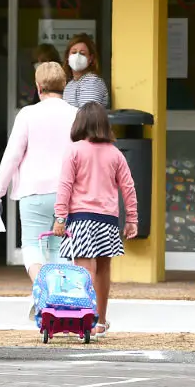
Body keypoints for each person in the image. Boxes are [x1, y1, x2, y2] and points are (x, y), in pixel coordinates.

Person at [0, 62, 78, 314]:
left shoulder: (27, 114)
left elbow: (12, 155)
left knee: (32, 245)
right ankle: (60, 298)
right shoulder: (76, 114)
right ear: (65, 85)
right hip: (67, 193)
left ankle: (43, 292)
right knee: (61, 248)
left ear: (38, 87)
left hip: (33, 192)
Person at [53, 102, 138, 338]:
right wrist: (132, 218)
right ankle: (99, 321)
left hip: (80, 218)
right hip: (107, 220)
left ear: (80, 123)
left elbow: (65, 185)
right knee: (103, 269)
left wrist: (60, 216)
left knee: (84, 270)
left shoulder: (74, 150)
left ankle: (83, 319)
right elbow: (128, 187)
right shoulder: (115, 153)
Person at [63, 34, 110, 108]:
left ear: (90, 59)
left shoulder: (92, 81)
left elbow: (88, 117)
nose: (77, 56)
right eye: (74, 52)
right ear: (67, 57)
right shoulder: (70, 84)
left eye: (82, 53)